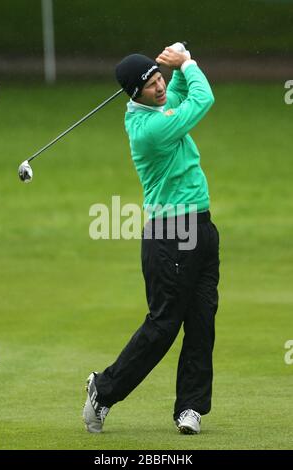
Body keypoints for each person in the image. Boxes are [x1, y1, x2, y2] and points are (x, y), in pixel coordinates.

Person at [83, 42, 220, 435]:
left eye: (158, 77)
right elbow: (201, 97)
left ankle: (190, 408)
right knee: (163, 325)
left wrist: (175, 60)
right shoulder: (150, 130)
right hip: (171, 234)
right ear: (135, 94)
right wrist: (188, 61)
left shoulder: (159, 106)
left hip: (202, 227)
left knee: (201, 321)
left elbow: (177, 91)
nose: (160, 87)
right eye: (150, 84)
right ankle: (103, 390)